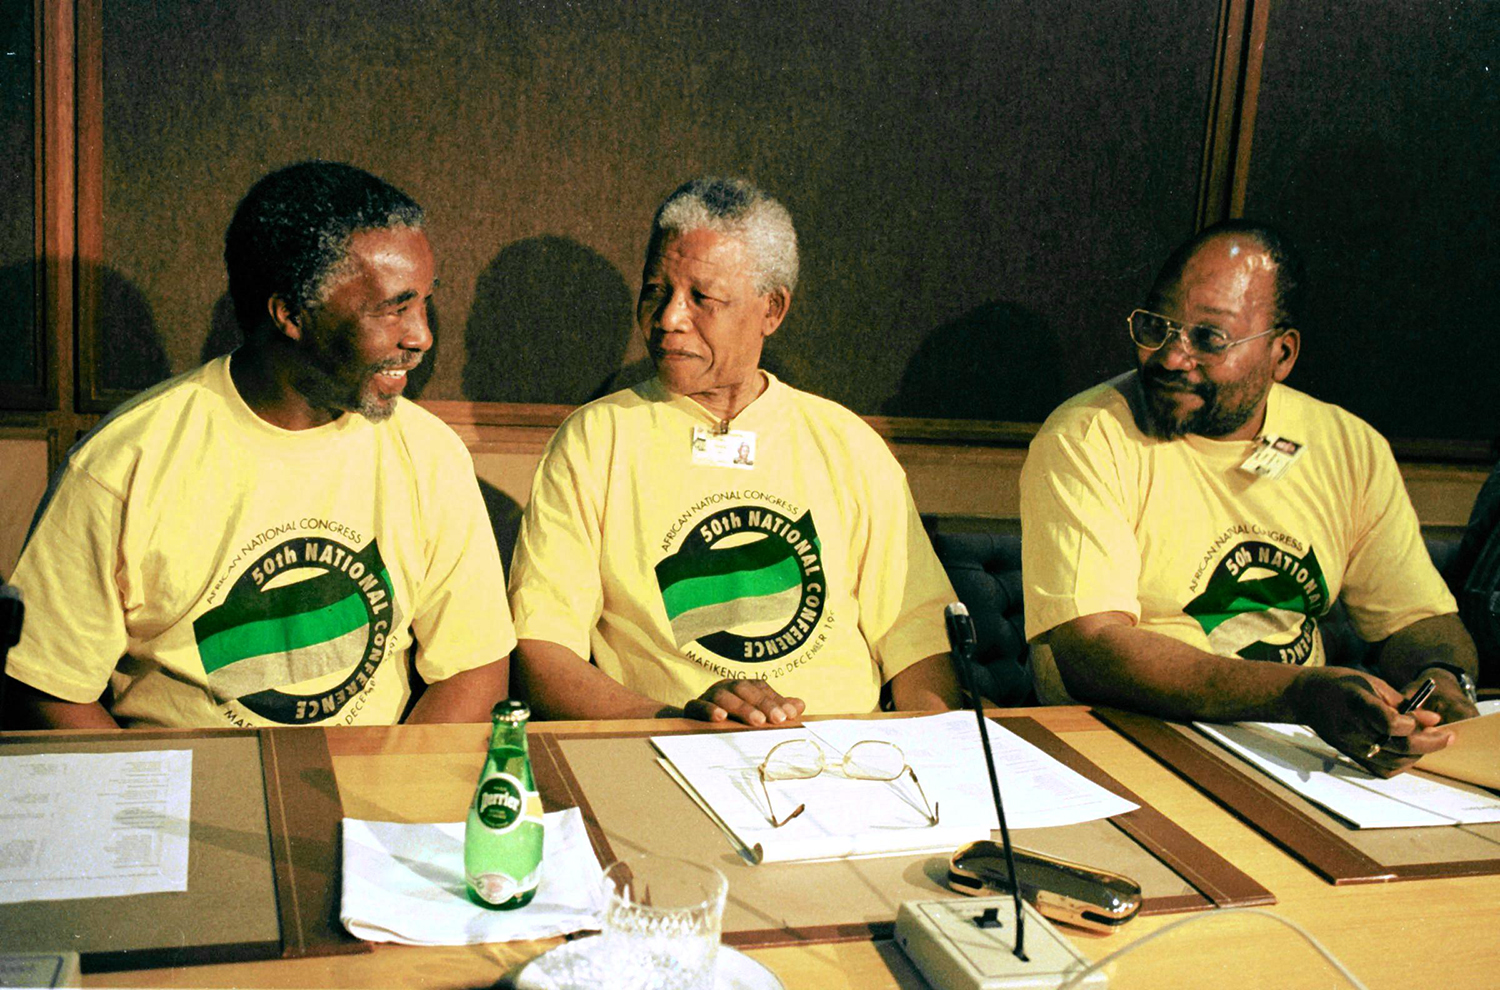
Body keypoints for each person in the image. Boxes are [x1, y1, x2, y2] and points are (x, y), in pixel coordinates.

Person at [3, 161, 514, 729]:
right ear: (291, 314)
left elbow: (475, 667)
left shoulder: (430, 454)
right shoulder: (125, 462)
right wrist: (141, 809)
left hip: (370, 790)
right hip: (186, 795)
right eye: (393, 308)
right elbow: (49, 686)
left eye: (423, 302)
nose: (421, 336)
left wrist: (389, 801)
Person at [1020, 221, 1479, 776]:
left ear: (1281, 355)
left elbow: (1418, 620)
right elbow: (1093, 650)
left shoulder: (1348, 447)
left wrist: (1446, 683)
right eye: (1156, 328)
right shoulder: (1089, 435)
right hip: (1128, 747)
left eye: (1208, 339)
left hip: (1297, 755)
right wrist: (1300, 694)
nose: (1170, 357)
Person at [508, 177, 959, 725]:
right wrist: (675, 723)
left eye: (703, 298)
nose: (669, 317)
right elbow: (541, 651)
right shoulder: (594, 440)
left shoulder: (849, 445)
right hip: (660, 747)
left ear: (772, 310)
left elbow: (920, 645)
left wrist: (937, 768)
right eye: (655, 290)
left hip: (842, 760)